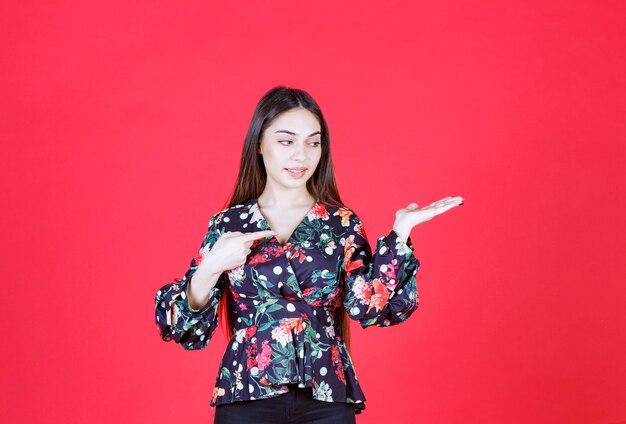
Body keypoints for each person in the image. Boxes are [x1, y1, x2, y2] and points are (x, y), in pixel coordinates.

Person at [154, 86, 464, 424]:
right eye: (286, 141)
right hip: (245, 392)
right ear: (259, 145)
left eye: (312, 143)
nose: (301, 156)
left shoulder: (341, 222)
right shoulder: (229, 224)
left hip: (326, 395)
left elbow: (369, 308)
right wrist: (212, 266)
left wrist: (400, 232)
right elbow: (185, 327)